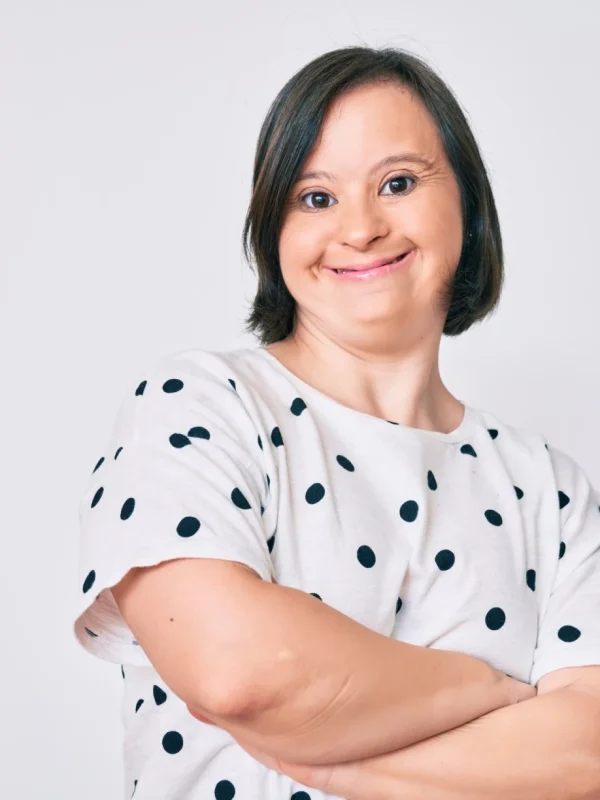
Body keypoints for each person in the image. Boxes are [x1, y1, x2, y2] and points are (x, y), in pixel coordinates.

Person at [72, 45, 600, 800]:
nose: (360, 228)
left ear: (469, 207)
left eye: (398, 182)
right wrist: (496, 692)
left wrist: (328, 755)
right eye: (315, 198)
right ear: (273, 230)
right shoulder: (202, 405)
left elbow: (587, 758)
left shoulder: (549, 488)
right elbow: (240, 675)